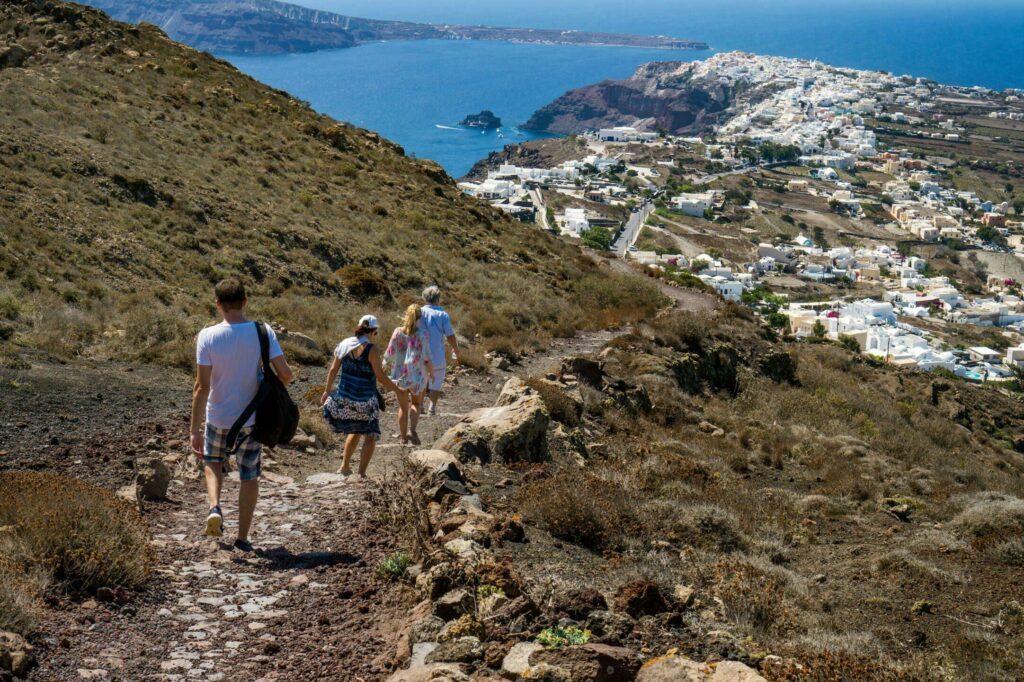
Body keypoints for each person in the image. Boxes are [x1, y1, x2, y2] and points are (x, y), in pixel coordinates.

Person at [190, 279, 293, 551]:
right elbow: (286, 375)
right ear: (245, 301)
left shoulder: (207, 336)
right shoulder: (263, 331)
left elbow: (201, 386)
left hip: (217, 416)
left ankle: (214, 508)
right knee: (249, 476)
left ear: (218, 304)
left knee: (212, 463)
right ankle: (243, 538)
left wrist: (194, 429)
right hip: (251, 419)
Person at [321, 314, 398, 477]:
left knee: (354, 431)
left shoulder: (344, 344)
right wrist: (397, 389)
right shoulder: (372, 349)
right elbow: (380, 376)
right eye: (375, 333)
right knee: (370, 436)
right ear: (373, 331)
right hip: (365, 401)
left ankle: (344, 466)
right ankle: (361, 474)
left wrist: (327, 391)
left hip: (345, 399)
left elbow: (333, 370)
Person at [383, 304, 433, 445]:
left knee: (402, 408)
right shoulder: (423, 334)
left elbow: (389, 353)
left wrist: (383, 367)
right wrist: (432, 373)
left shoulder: (397, 332)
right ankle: (413, 430)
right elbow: (427, 357)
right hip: (417, 376)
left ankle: (403, 438)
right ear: (419, 318)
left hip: (400, 376)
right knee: (416, 404)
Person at [419, 286, 461, 416]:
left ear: (424, 297)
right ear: (438, 298)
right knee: (436, 381)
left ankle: (419, 406)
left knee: (421, 380)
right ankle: (432, 408)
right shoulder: (443, 314)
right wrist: (456, 349)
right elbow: (449, 335)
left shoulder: (419, 312)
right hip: (437, 354)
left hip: (420, 354)